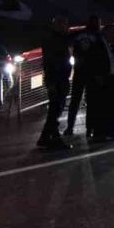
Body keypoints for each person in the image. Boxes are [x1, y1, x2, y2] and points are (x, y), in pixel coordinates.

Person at [37, 16, 73, 149]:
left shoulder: (57, 39)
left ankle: (45, 136)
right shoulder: (54, 40)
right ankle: (53, 138)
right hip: (57, 79)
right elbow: (51, 62)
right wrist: (52, 82)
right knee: (56, 109)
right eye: (64, 24)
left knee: (55, 108)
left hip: (59, 78)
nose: (66, 27)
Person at [67, 16, 100, 141]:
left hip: (80, 71)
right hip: (91, 71)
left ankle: (70, 127)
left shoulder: (79, 35)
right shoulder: (97, 36)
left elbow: (71, 45)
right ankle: (89, 129)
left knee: (75, 100)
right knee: (91, 101)